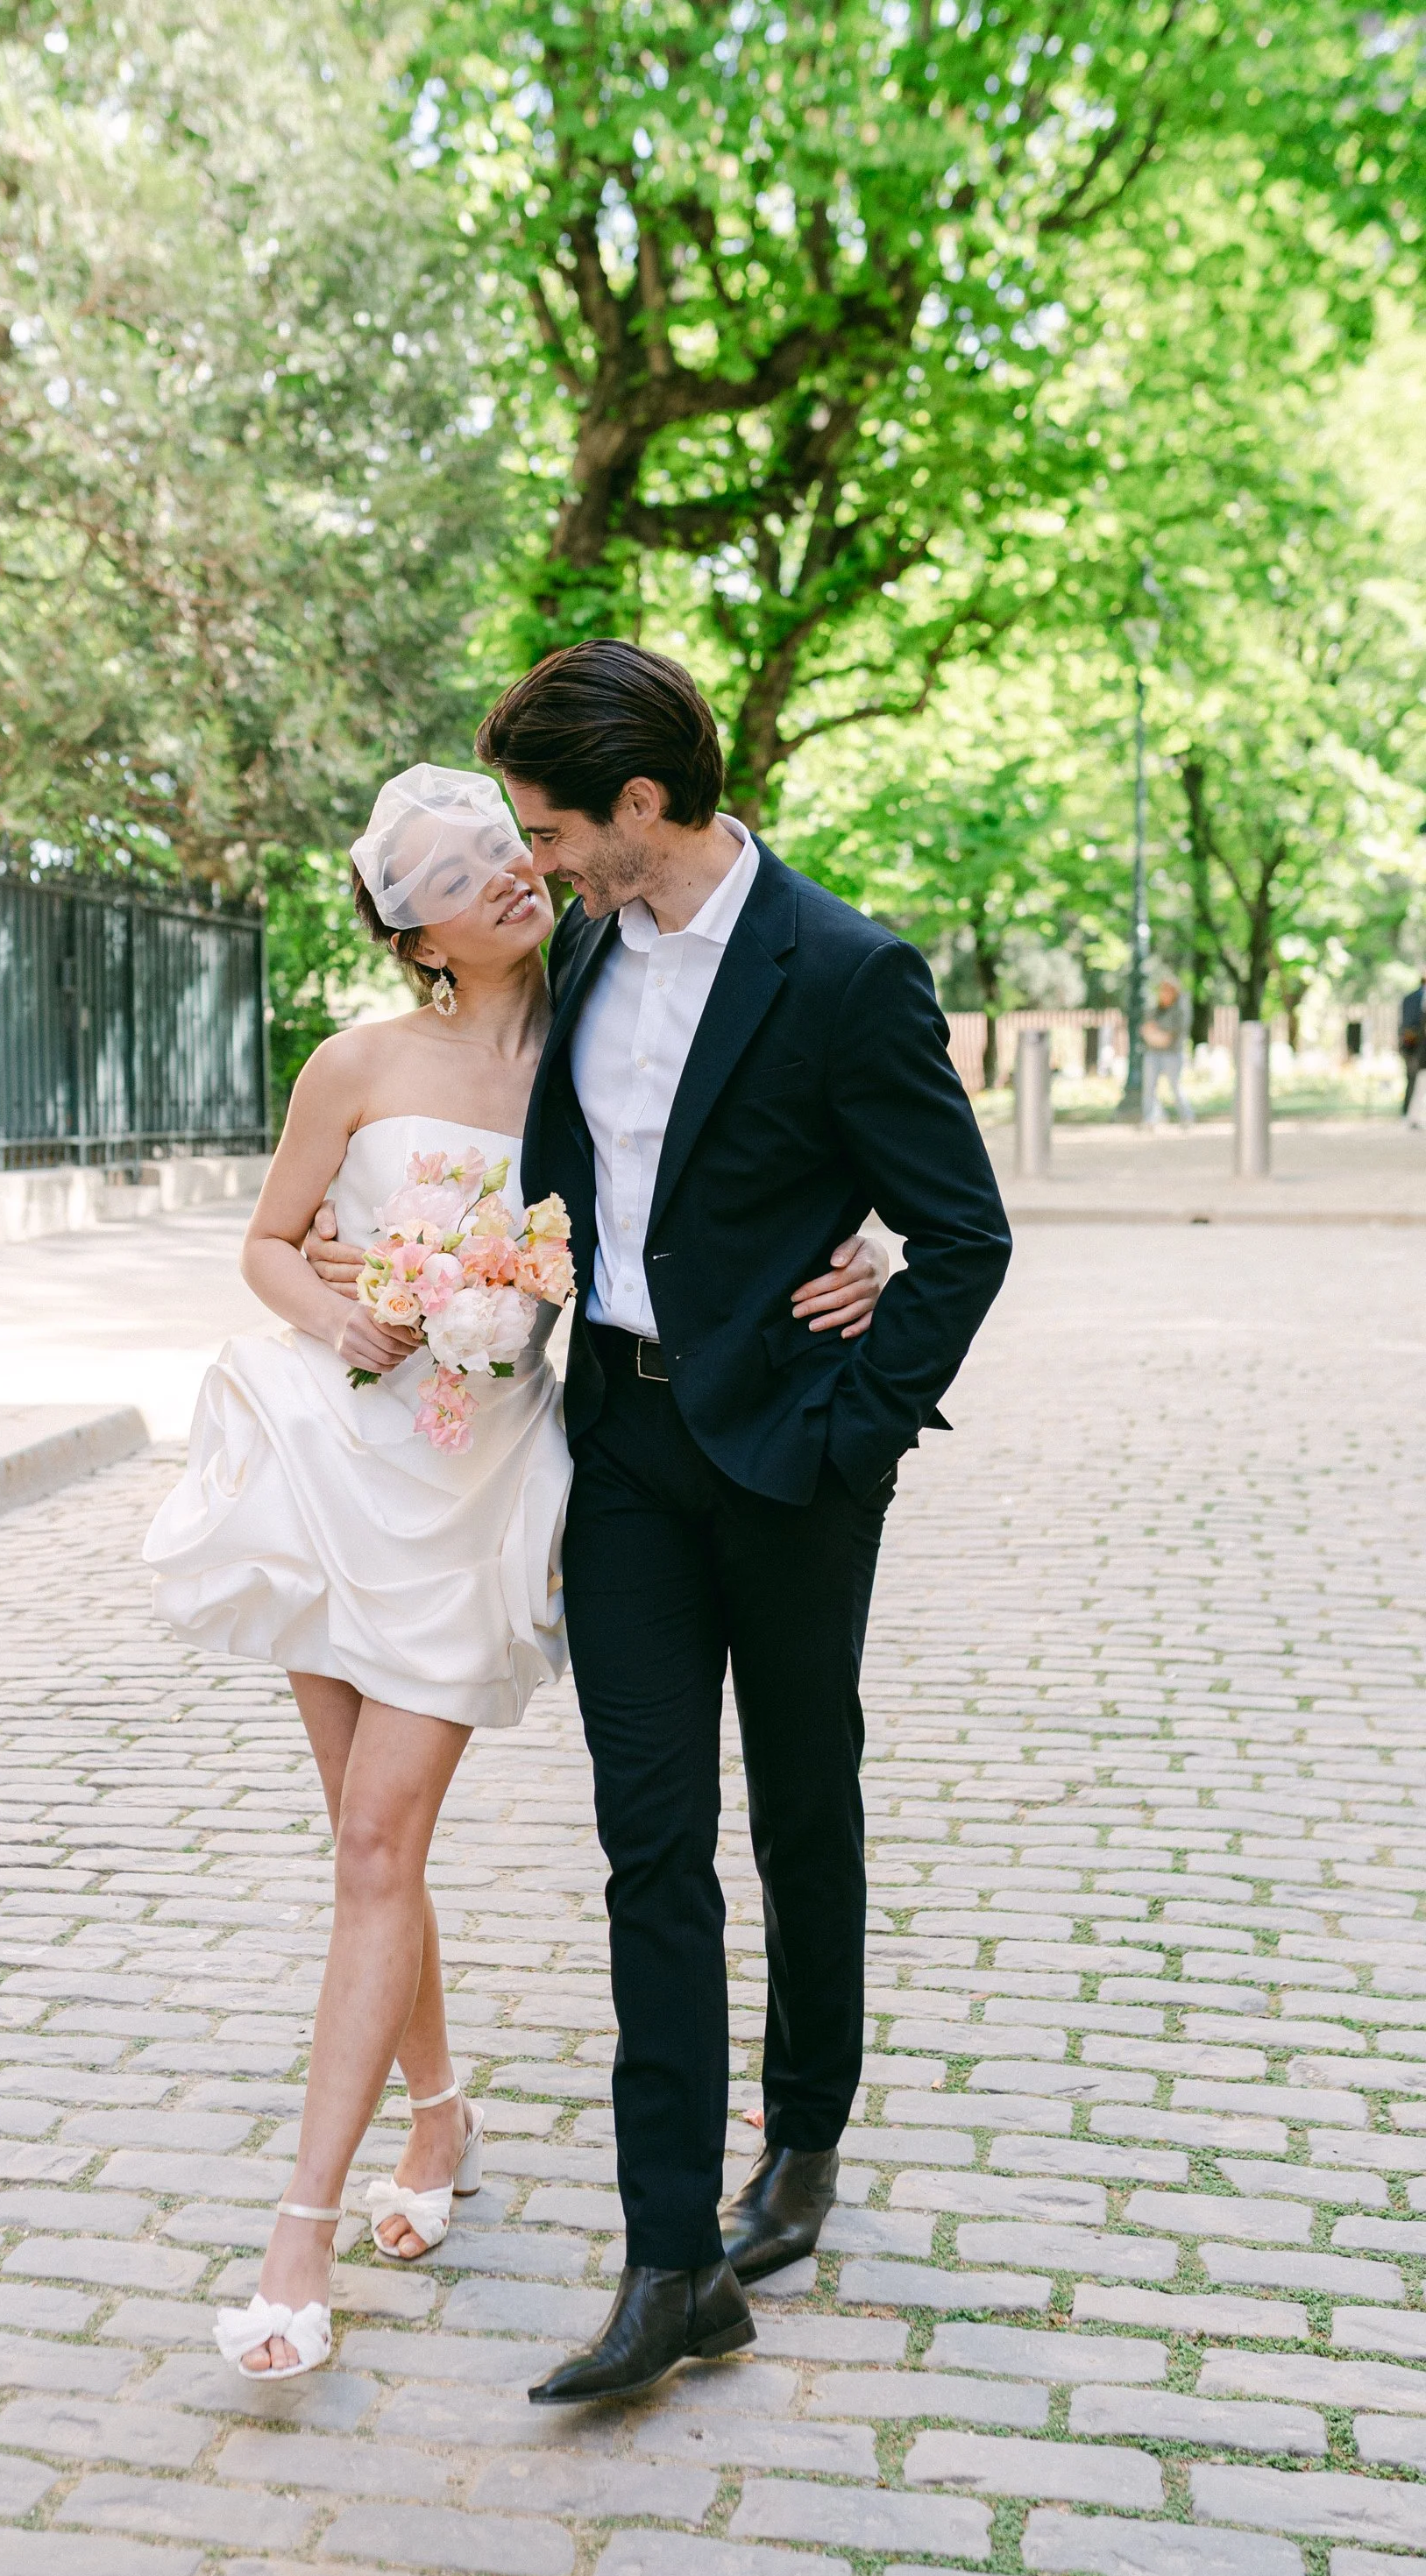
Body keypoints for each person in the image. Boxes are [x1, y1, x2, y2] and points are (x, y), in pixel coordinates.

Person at [311, 643, 1010, 2404]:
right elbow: (512, 1152)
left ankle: (807, 2129)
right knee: (648, 1846)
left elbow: (965, 1233)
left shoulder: (845, 971)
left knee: (799, 1799)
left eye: (548, 829)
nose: (528, 862)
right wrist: (384, 1266)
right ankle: (670, 2263)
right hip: (615, 1452)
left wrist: (854, 1415)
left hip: (789, 1466)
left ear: (643, 808)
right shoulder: (589, 958)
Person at [144, 761, 887, 2381]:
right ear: (413, 928)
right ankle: (437, 2124)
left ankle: (299, 2242)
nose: (503, 873)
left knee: (374, 1841)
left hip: (485, 1485)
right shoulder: (354, 1061)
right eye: (459, 868)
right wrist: (338, 1303)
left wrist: (871, 1242)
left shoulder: (609, 1004)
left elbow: (765, 1122)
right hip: (336, 1461)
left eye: (508, 845)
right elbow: (271, 1240)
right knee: (369, 1845)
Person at [1141, 980, 1194, 1126]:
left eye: (1167, 990)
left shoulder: (1179, 1011)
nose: (1163, 994)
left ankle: (1186, 1117)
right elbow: (1146, 1030)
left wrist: (1156, 1033)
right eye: (1162, 990)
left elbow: (1168, 1037)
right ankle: (1151, 1118)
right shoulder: (1155, 1010)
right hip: (1153, 1053)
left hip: (1172, 1054)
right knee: (1149, 1087)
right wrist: (1156, 1034)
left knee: (1175, 1086)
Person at [1401, 971, 1425, 1125]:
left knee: (1415, 1080)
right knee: (1417, 1080)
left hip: (1414, 1046)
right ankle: (1412, 1115)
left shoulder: (1409, 998)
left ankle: (1410, 1114)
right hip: (1418, 1046)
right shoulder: (1415, 998)